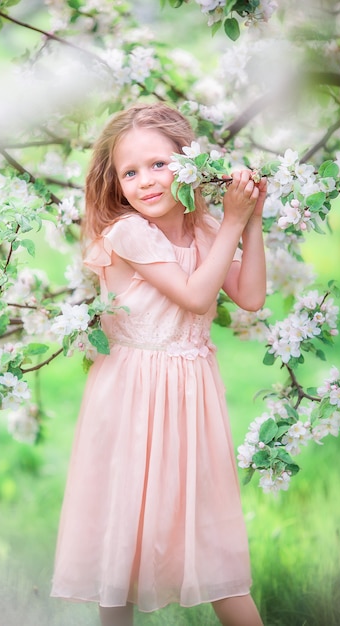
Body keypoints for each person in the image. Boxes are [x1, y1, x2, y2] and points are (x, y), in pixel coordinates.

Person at [51, 102, 267, 626]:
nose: (145, 182)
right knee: (124, 532)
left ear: (188, 165)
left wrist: (250, 220)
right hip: (132, 397)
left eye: (159, 165)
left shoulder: (203, 227)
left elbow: (252, 296)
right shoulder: (128, 234)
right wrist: (233, 221)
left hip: (190, 396)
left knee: (208, 531)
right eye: (130, 172)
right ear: (116, 181)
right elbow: (196, 297)